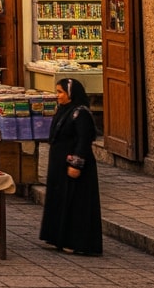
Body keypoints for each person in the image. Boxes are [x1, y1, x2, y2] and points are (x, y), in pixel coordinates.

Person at [40, 78, 103, 255]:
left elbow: (83, 140)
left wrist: (76, 164)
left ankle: (77, 242)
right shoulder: (64, 111)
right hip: (60, 164)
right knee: (60, 200)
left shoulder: (80, 113)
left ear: (71, 94)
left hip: (74, 165)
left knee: (76, 203)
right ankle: (58, 237)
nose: (57, 96)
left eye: (61, 92)